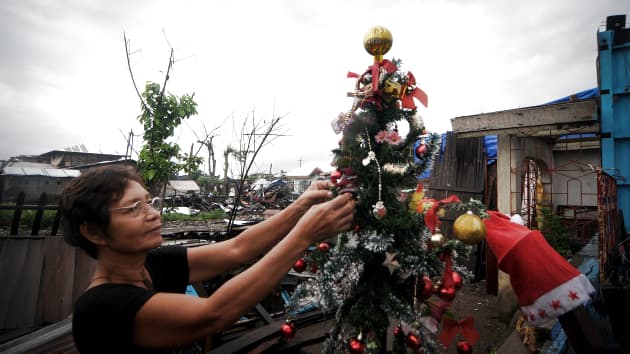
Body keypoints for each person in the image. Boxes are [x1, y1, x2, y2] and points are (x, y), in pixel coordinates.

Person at [60, 164, 355, 353]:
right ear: (94, 232)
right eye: (133, 208)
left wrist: (299, 208)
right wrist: (303, 236)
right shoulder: (100, 307)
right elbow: (215, 313)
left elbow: (237, 248)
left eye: (149, 202)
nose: (153, 214)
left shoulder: (152, 264)